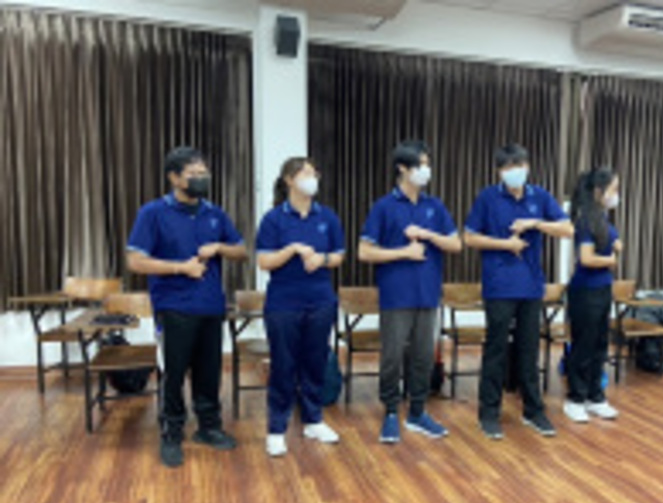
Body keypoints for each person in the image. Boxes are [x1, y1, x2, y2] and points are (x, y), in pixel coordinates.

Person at [126, 146, 248, 468]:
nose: (201, 178)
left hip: (210, 307)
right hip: (173, 308)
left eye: (203, 173)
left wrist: (219, 246)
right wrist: (180, 268)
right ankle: (171, 432)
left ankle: (209, 427)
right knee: (173, 374)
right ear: (174, 177)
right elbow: (135, 261)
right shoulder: (153, 213)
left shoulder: (215, 213)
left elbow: (241, 251)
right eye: (193, 174)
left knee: (209, 372)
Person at [464, 143, 573, 440]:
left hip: (531, 286)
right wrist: (505, 244)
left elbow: (567, 229)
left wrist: (535, 222)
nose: (515, 172)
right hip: (499, 285)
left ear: (527, 167)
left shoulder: (540, 196)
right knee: (496, 350)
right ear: (499, 171)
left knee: (529, 349)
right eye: (509, 167)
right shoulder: (488, 197)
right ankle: (489, 413)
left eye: (520, 166)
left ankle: (533, 411)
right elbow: (469, 237)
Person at [358, 140, 462, 444]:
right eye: (420, 165)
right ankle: (391, 412)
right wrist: (404, 252)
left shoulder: (435, 206)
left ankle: (417, 412)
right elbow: (364, 252)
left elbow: (456, 244)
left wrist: (428, 234)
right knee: (391, 356)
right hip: (396, 296)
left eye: (427, 164)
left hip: (428, 294)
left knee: (423, 357)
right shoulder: (384, 206)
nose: (426, 170)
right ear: (403, 168)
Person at [256, 158, 346, 457]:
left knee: (315, 362)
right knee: (283, 366)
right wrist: (292, 249)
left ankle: (313, 420)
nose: (313, 177)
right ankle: (276, 429)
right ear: (289, 180)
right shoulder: (273, 219)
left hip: (321, 301)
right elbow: (264, 261)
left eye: (314, 172)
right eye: (306, 173)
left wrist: (321, 259)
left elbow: (339, 255)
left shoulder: (327, 216)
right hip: (283, 303)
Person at [563, 168, 622, 423]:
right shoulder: (585, 220)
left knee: (600, 344)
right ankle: (575, 399)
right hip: (585, 291)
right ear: (599, 192)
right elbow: (586, 258)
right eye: (613, 189)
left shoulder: (602, 219)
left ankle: (595, 397)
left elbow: (617, 243)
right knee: (583, 346)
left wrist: (613, 248)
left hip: (603, 288)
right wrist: (609, 259)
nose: (616, 195)